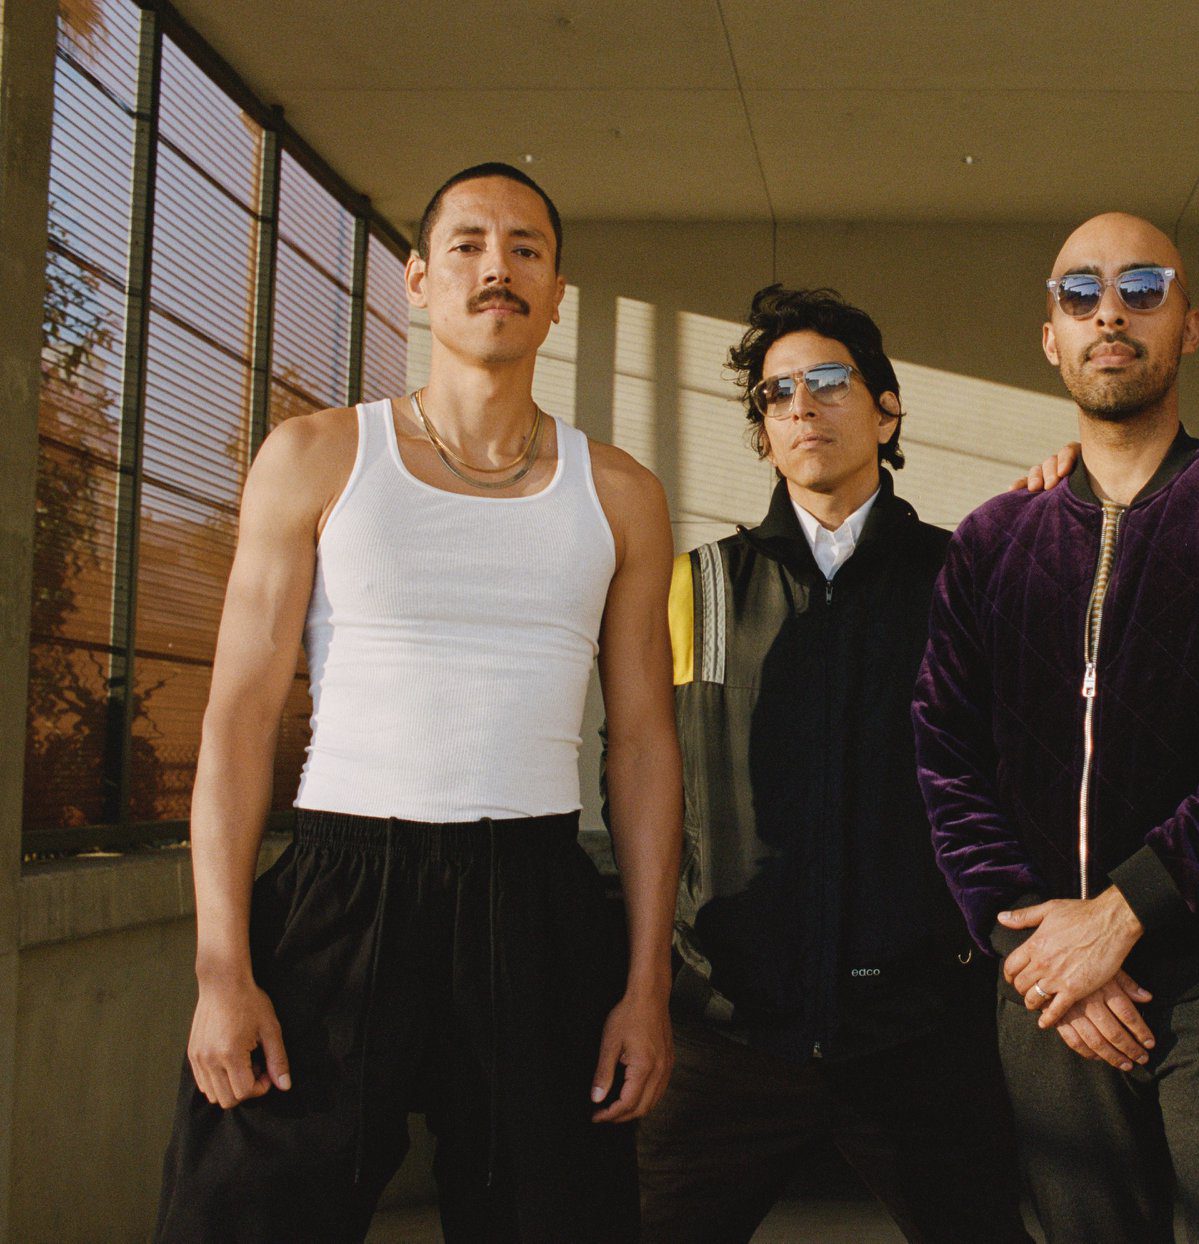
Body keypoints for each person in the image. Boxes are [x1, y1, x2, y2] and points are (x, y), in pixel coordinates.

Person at [154, 162, 681, 1242]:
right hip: (343, 883)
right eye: (469, 244)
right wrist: (221, 967)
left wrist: (646, 984)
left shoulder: (620, 492)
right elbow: (239, 721)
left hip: (535, 895)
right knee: (240, 1215)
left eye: (527, 249)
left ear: (557, 292)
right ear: (418, 279)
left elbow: (641, 746)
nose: (498, 267)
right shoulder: (315, 457)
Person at [912, 212, 1199, 1243]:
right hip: (1047, 987)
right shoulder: (991, 542)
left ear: (1188, 325)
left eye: (1142, 288)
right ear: (1051, 337)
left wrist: (1125, 910)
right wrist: (1028, 938)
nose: (1110, 311)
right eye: (1081, 293)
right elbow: (946, 756)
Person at [624, 285, 1028, 1243]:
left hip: (918, 1027)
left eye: (829, 381)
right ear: (764, 434)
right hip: (729, 1027)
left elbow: (1017, 775)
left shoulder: (964, 579)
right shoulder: (695, 587)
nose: (801, 405)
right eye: (776, 394)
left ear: (886, 410)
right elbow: (642, 778)